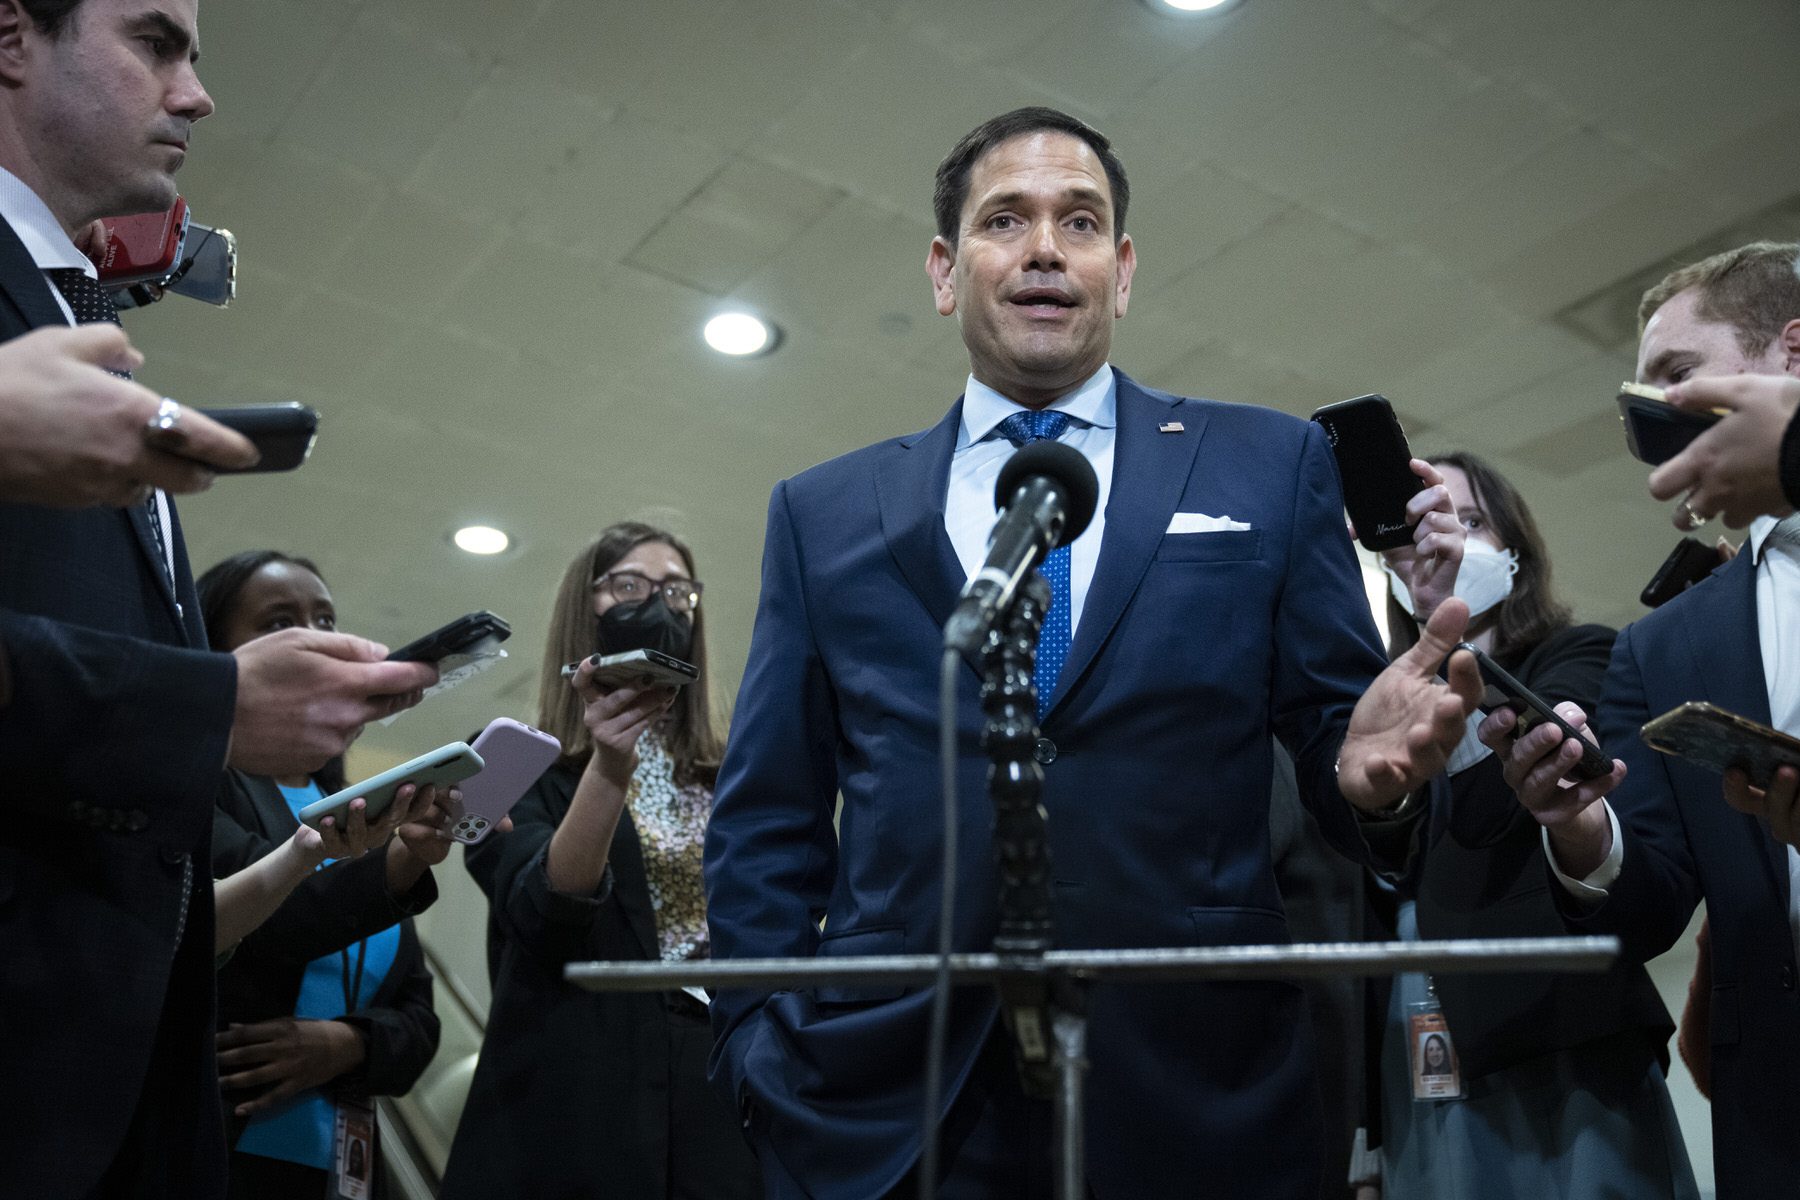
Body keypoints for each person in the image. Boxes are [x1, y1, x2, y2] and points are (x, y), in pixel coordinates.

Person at [702, 106, 1480, 1200]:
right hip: (892, 1101)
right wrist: (758, 1052)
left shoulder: (1266, 462)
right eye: (1003, 221)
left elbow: (1340, 744)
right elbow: (769, 821)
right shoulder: (825, 512)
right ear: (942, 271)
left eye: (1079, 222)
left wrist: (1374, 791)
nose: (1042, 250)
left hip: (1198, 1088)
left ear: (1119, 273)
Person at [0, 4, 437, 1194]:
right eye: (156, 42)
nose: (195, 94)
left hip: (114, 1071)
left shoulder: (69, 313)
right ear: (11, 37)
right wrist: (206, 709)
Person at [1483, 240, 1800, 1199]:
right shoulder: (1663, 649)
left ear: (1792, 356)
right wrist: (1580, 829)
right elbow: (1650, 895)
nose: (1653, 415)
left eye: (1679, 374)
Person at [1372, 452, 1695, 1200]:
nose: (1445, 539)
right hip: (1414, 1038)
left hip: (1556, 1033)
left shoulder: (1581, 654)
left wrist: (1445, 633)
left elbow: (1498, 805)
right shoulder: (1374, 711)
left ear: (1513, 552)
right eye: (1426, 525)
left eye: (1471, 520)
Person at [441, 522, 760, 1200]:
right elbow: (543, 912)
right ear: (584, 608)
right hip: (576, 1083)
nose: (658, 603)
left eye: (677, 589)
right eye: (628, 585)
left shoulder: (732, 769)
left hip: (719, 1072)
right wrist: (611, 766)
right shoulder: (499, 759)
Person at [197, 551, 447, 1200]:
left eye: (326, 618)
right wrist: (401, 861)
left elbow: (419, 1021)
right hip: (221, 1151)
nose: (315, 637)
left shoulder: (357, 814)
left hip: (344, 1169)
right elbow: (277, 921)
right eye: (279, 622)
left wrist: (346, 1044)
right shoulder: (201, 788)